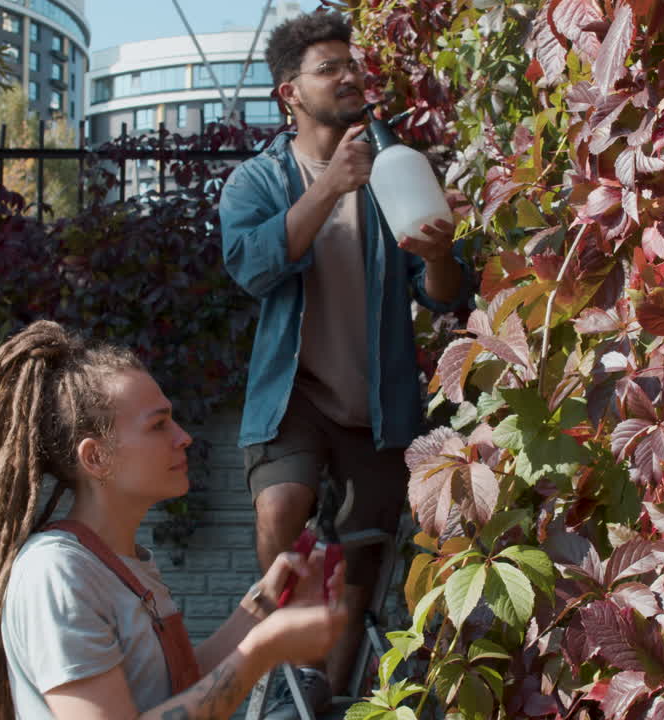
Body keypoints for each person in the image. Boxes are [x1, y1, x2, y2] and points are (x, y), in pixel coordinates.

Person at [219, 10, 474, 715]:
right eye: (328, 67)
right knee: (281, 508)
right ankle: (280, 660)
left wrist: (440, 255)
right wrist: (331, 184)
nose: (349, 75)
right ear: (289, 94)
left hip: (379, 403)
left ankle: (323, 701)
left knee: (365, 559)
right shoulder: (256, 181)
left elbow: (446, 295)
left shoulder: (400, 171)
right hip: (293, 394)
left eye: (351, 64)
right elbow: (252, 267)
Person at [0, 320, 349, 720]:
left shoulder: (121, 564)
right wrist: (263, 649)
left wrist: (263, 607)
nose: (183, 436)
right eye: (158, 424)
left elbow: (174, 692)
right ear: (96, 457)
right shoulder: (57, 573)